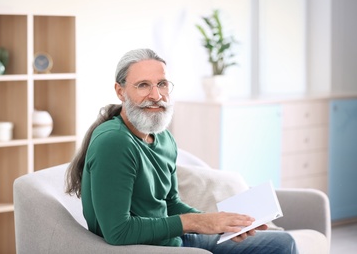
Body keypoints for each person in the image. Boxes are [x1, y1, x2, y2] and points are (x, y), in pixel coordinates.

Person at [65, 48, 298, 253]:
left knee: (282, 241)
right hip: (148, 248)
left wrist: (220, 223)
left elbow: (171, 202)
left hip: (173, 239)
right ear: (120, 91)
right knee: (281, 245)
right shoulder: (114, 142)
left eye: (162, 84)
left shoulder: (164, 138)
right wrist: (194, 223)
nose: (156, 96)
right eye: (143, 85)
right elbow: (117, 232)